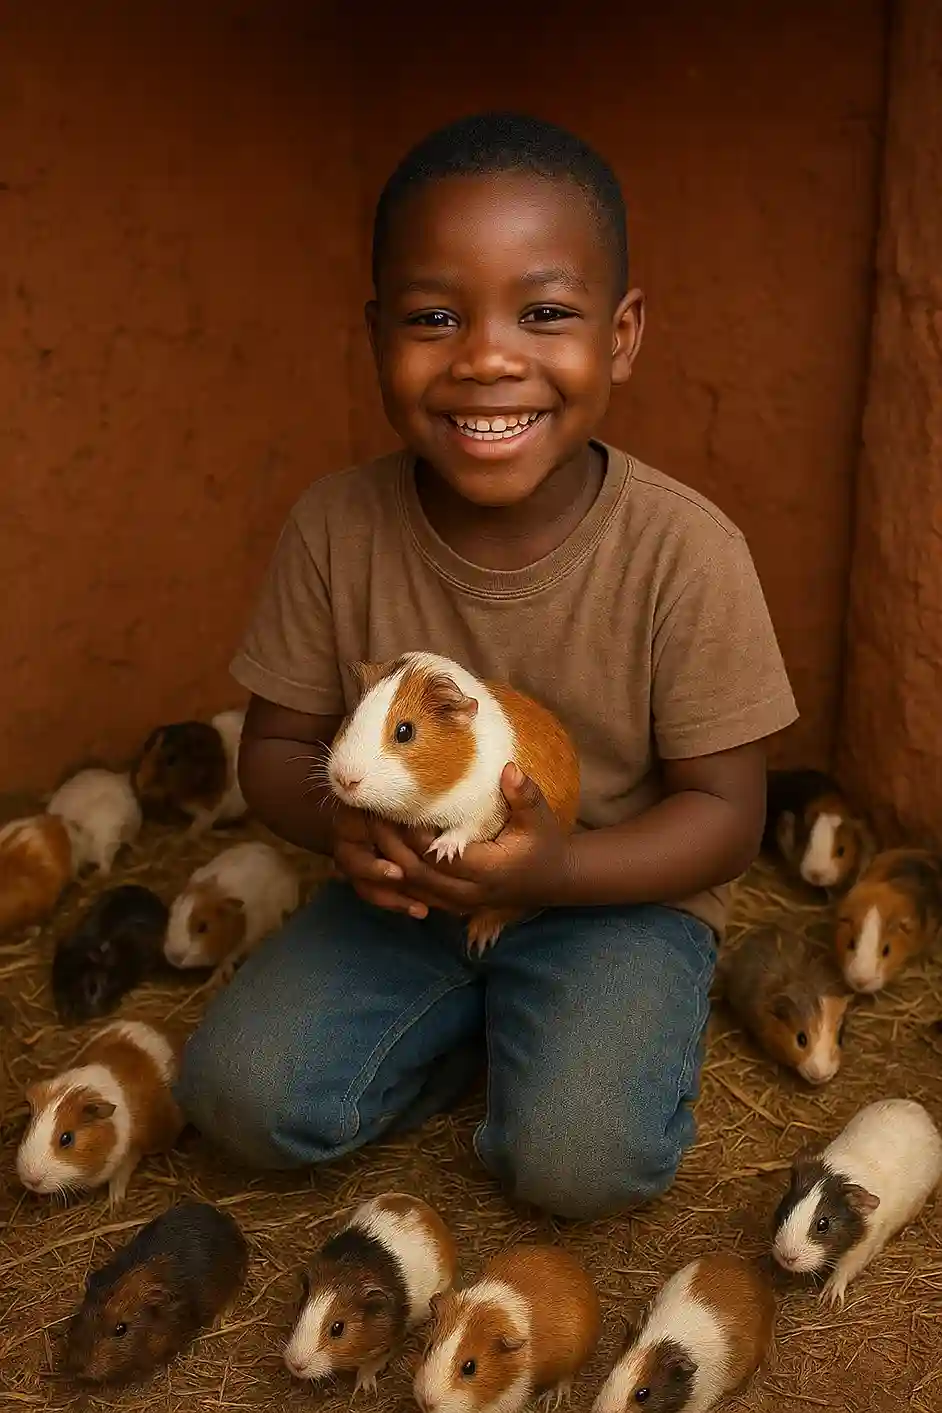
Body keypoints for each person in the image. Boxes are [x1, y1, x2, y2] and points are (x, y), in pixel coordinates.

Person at [176, 111, 797, 1219]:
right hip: (405, 894)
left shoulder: (686, 551)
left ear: (622, 332)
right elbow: (274, 751)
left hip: (614, 896)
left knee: (580, 1167)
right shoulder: (335, 525)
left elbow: (726, 814)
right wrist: (346, 833)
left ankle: (557, 1036)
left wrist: (552, 876)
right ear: (376, 336)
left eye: (546, 312)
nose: (487, 357)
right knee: (238, 1101)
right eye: (433, 317)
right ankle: (473, 1028)